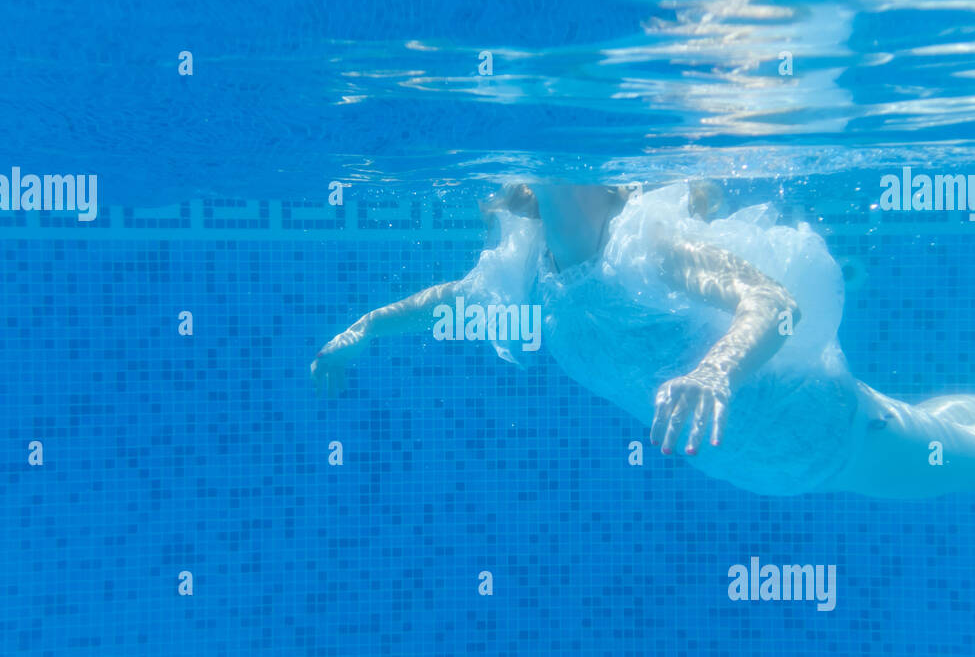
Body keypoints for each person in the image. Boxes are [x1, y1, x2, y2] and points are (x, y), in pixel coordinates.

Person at [311, 181, 975, 499]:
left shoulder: (646, 247)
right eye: (544, 183)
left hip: (843, 437)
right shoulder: (531, 266)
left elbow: (773, 304)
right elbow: (447, 300)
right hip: (756, 462)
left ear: (612, 193)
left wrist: (715, 370)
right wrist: (364, 328)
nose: (549, 185)